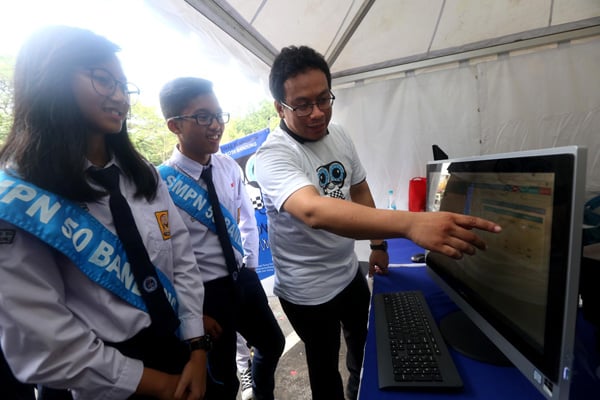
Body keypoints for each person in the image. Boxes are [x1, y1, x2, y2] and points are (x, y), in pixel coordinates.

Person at [254, 45, 502, 400]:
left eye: (324, 99)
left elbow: (359, 188)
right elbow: (313, 211)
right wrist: (409, 224)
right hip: (306, 290)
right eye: (303, 104)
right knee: (325, 369)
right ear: (280, 107)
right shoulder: (274, 155)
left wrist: (378, 245)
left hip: (346, 271)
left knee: (363, 349)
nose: (317, 113)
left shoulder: (338, 134)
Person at [0, 26, 209, 400]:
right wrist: (161, 385)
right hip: (98, 382)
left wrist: (196, 347)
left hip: (174, 352)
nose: (120, 98)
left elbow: (181, 258)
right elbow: (44, 342)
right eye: (103, 80)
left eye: (123, 85)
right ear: (50, 81)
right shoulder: (20, 197)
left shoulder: (140, 174)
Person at [158, 77, 285, 400]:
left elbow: (246, 222)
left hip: (241, 277)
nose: (216, 125)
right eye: (203, 117)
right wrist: (190, 312)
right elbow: (159, 258)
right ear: (175, 125)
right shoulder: (160, 184)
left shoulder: (228, 166)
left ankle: (261, 394)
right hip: (204, 294)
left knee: (272, 343)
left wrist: (252, 268)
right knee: (221, 378)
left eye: (218, 115)